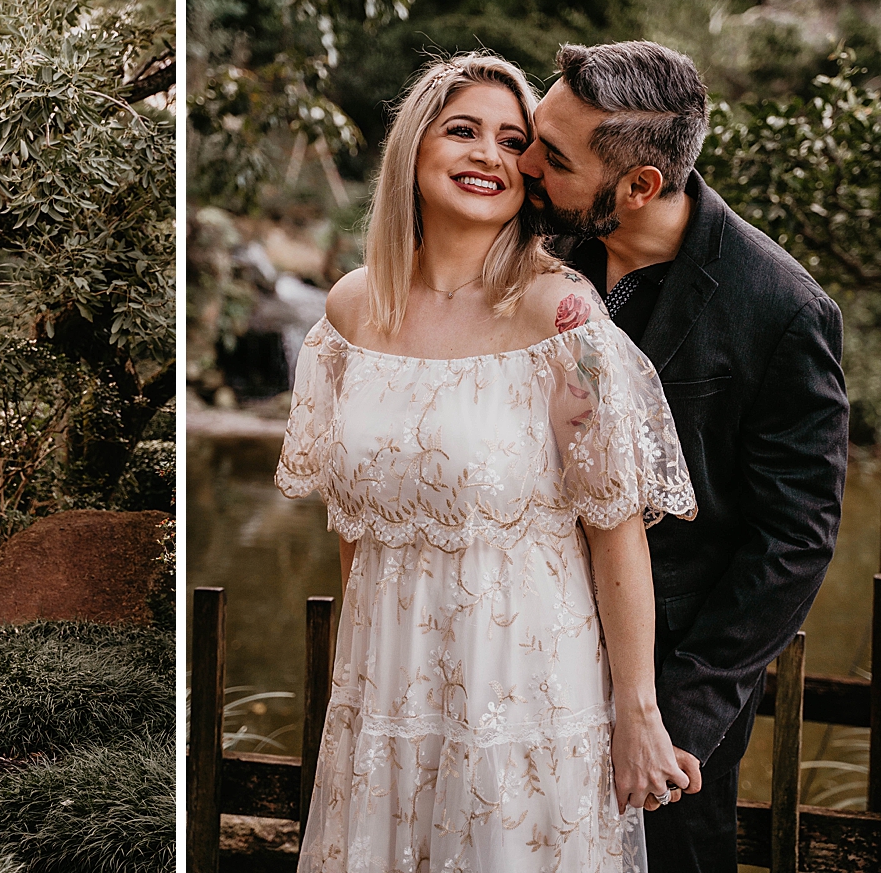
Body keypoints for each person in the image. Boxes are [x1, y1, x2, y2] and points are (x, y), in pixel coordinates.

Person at [277, 52, 699, 872]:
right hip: (384, 690)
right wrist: (351, 688)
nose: (489, 155)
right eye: (462, 131)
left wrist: (636, 709)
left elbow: (615, 528)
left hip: (523, 688)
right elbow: (354, 526)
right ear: (414, 149)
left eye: (514, 141)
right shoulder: (350, 311)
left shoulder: (564, 315)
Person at [518, 40, 849, 873]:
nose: (523, 163)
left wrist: (679, 712)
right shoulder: (530, 246)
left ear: (639, 185)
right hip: (514, 652)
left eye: (552, 156)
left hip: (665, 700)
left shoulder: (780, 307)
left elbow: (794, 537)